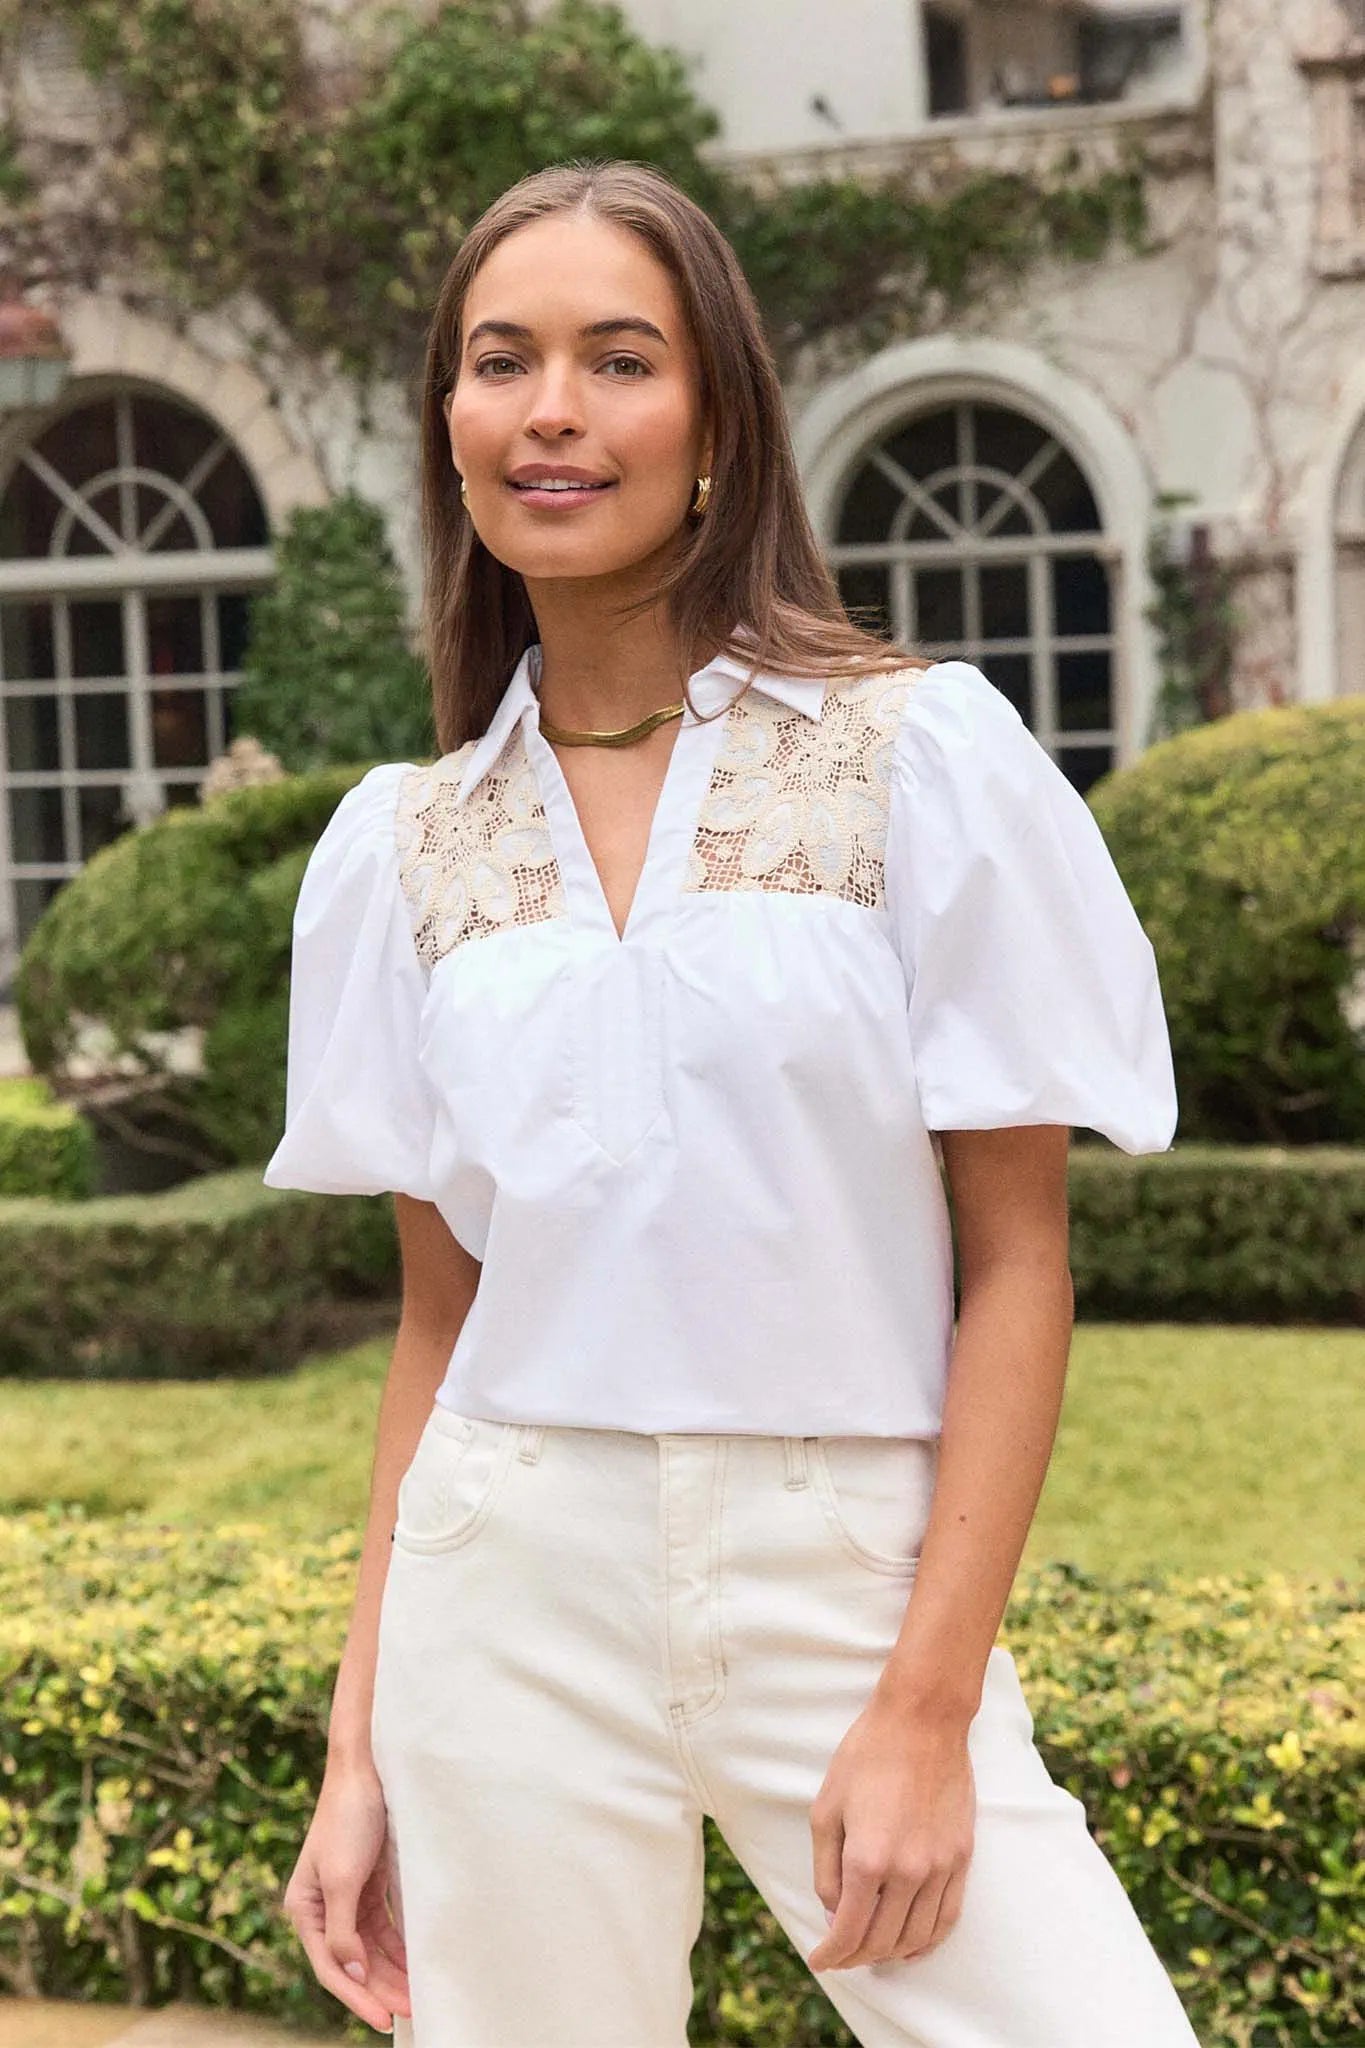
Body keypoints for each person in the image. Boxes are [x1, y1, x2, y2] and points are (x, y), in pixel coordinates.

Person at [261, 158, 1202, 2048]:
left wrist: (926, 1707)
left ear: (715, 428)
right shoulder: (404, 847)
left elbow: (1015, 1264)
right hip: (500, 1589)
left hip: (839, 1568)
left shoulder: (914, 758)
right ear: (447, 422)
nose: (550, 410)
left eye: (620, 360)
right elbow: (435, 1328)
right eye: (499, 361)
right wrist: (356, 1751)